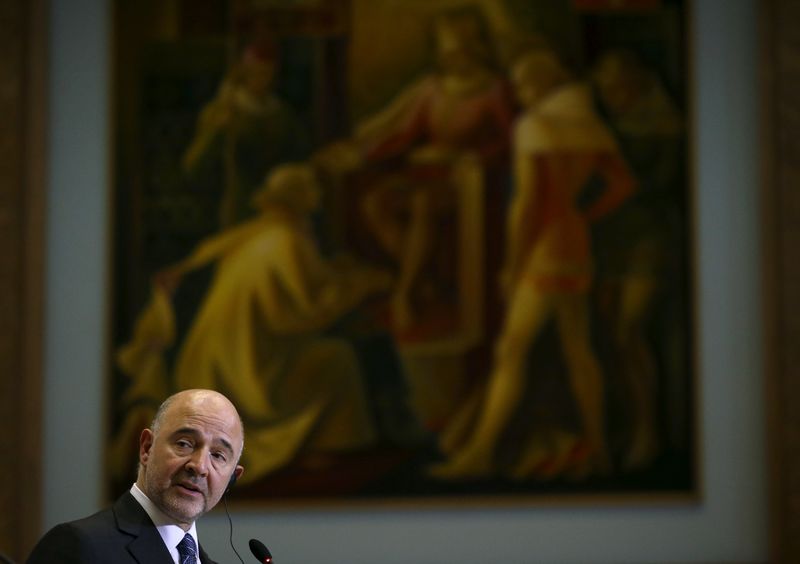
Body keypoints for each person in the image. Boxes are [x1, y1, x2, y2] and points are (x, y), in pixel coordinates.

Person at [432, 50, 636, 479]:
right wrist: (584, 214)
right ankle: (599, 451)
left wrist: (512, 264)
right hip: (577, 247)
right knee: (580, 349)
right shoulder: (589, 123)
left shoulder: (534, 126)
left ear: (543, 84)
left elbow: (526, 206)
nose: (521, 95)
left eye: (525, 85)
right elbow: (621, 184)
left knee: (511, 351)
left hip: (543, 251)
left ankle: (480, 455)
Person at [157, 163, 392, 483]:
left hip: (226, 360)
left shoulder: (266, 233)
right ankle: (324, 455)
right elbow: (299, 315)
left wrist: (341, 278)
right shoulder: (284, 239)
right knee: (338, 358)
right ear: (295, 196)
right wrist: (359, 287)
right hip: (245, 374)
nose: (318, 195)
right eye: (311, 188)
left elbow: (305, 286)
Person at [27, 389, 245, 563]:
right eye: (184, 444)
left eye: (218, 455)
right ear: (146, 448)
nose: (199, 466)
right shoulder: (79, 546)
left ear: (233, 477)